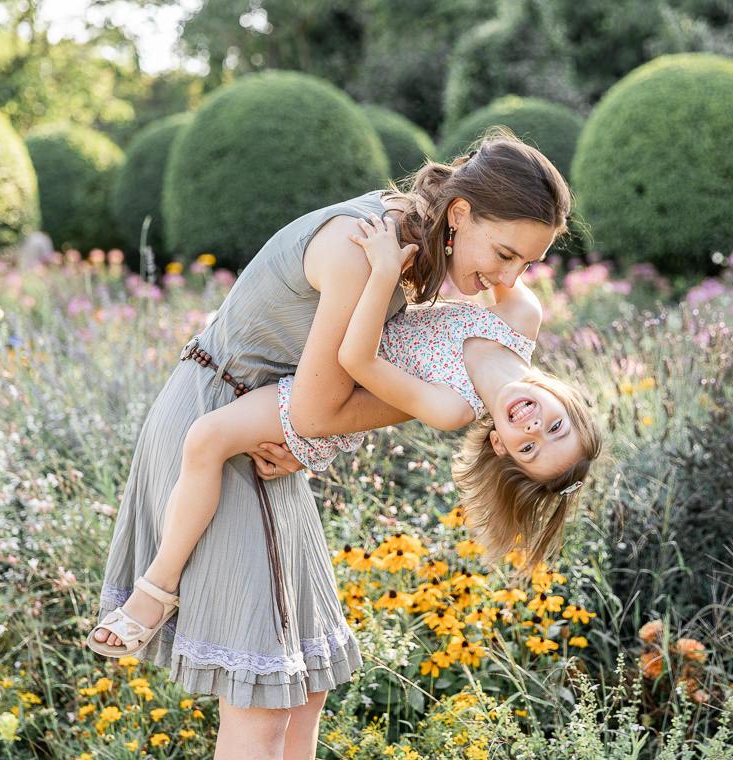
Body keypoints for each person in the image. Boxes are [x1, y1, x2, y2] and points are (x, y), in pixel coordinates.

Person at [91, 129, 575, 760]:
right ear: (459, 213)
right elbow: (323, 406)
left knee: (304, 689)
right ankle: (152, 593)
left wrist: (309, 437)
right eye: (504, 253)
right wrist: (309, 431)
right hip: (220, 407)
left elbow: (392, 387)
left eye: (526, 266)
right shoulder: (365, 251)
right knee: (264, 702)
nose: (507, 278)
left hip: (270, 429)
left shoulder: (421, 256)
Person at [88, 213, 601, 656]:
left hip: (325, 389)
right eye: (555, 426)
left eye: (528, 448)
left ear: (500, 445)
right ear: (568, 397)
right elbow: (487, 258)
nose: (533, 427)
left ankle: (158, 587)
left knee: (206, 439)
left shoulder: (452, 406)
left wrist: (382, 274)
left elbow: (357, 360)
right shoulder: (521, 315)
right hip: (321, 344)